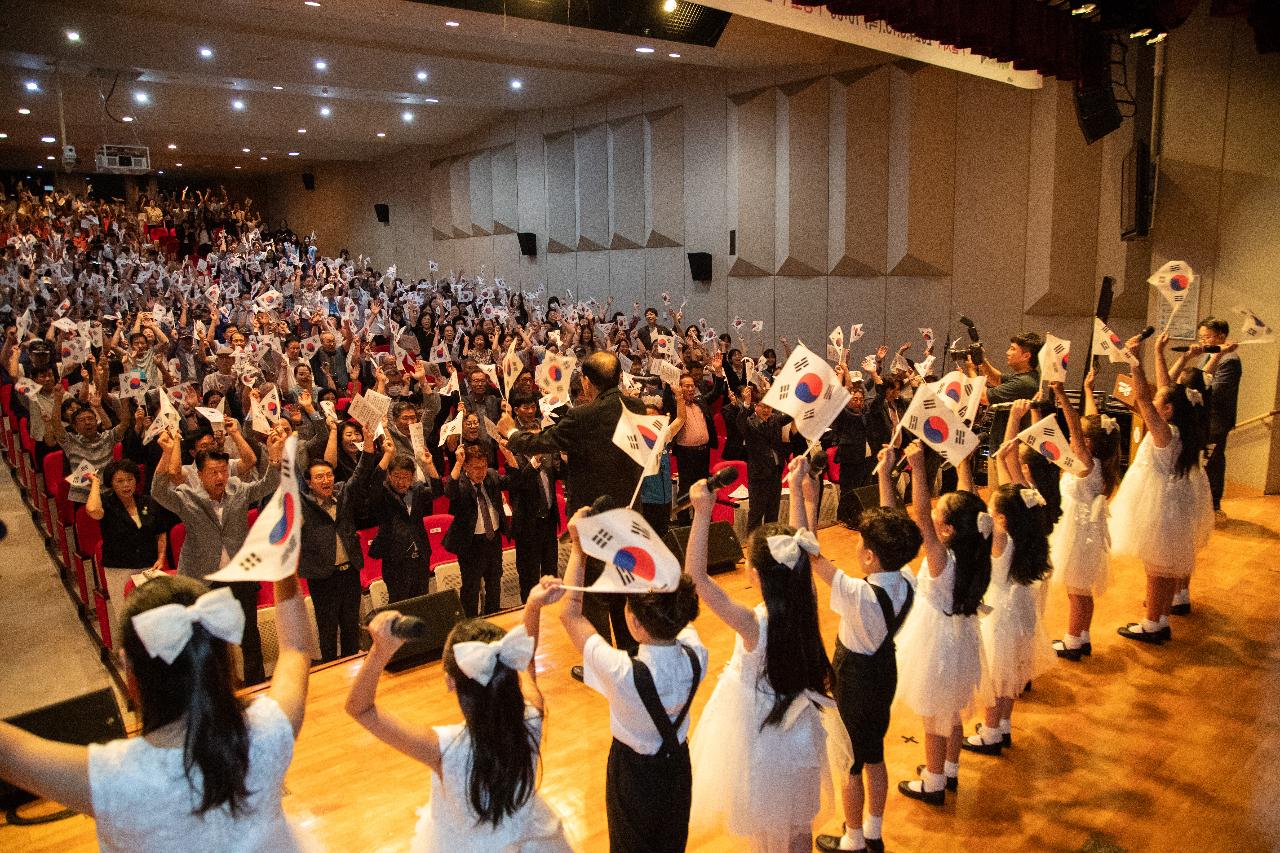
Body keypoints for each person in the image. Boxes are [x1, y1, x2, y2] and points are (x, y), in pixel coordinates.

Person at [0, 570, 313, 853]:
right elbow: (296, 649)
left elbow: (9, 755)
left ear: (130, 672)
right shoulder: (269, 731)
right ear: (223, 658)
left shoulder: (113, 779)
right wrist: (282, 567)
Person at [345, 580, 571, 852]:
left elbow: (360, 708)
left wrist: (381, 650)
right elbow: (528, 661)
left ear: (450, 682)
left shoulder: (443, 748)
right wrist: (533, 604)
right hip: (527, 836)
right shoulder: (533, 715)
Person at [686, 463, 835, 852]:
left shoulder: (754, 625)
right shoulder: (806, 603)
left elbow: (697, 579)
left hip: (764, 738)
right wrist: (803, 494)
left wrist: (703, 514)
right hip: (801, 733)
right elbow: (802, 548)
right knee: (799, 826)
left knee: (766, 830)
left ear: (755, 574)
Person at [559, 506, 706, 853]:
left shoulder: (620, 672)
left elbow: (570, 613)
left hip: (633, 774)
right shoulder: (696, 652)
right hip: (678, 767)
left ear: (635, 624)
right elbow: (683, 592)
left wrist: (579, 550)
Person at [499, 351, 646, 659]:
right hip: (629, 512)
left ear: (588, 383)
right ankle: (631, 650)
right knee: (623, 585)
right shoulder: (636, 406)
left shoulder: (583, 417)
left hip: (593, 515)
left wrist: (510, 431)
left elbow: (538, 444)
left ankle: (601, 662)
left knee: (593, 592)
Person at [811, 451, 922, 853]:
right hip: (884, 672)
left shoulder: (859, 594)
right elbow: (898, 526)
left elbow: (815, 558)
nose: (856, 548)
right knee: (874, 754)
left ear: (870, 556)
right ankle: (873, 831)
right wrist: (886, 477)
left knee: (850, 762)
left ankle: (853, 838)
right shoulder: (907, 578)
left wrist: (805, 491)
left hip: (854, 679)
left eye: (859, 544)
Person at [893, 440, 992, 805]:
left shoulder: (941, 560)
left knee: (935, 715)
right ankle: (949, 769)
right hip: (962, 638)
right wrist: (964, 465)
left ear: (947, 529)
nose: (934, 510)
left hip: (936, 643)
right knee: (952, 709)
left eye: (940, 511)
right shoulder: (972, 554)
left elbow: (920, 513)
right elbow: (963, 505)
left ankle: (933, 782)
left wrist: (919, 467)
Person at [150, 427, 285, 685]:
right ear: (198, 475)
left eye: (223, 470)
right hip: (204, 580)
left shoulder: (239, 490)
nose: (220, 477)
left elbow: (268, 484)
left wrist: (275, 457)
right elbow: (159, 492)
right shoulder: (188, 497)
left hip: (238, 576)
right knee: (208, 641)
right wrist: (166, 454)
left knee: (249, 636)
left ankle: (256, 686)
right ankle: (217, 690)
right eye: (212, 472)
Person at [1109, 334, 1212, 644]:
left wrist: (1134, 361)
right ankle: (1162, 615)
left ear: (1166, 410)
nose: (1153, 401)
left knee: (1156, 567)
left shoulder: (1165, 434)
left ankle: (1151, 623)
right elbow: (1163, 389)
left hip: (1159, 507)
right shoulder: (1183, 430)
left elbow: (1141, 397)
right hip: (1173, 503)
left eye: (1159, 402)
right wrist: (1157, 353)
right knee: (1167, 564)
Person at [960, 469, 1053, 757]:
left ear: (1001, 520)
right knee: (1011, 674)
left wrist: (964, 467)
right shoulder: (1028, 538)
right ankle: (1003, 724)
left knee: (996, 675)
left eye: (993, 509)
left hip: (1000, 616)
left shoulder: (1002, 541)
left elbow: (971, 504)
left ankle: (990, 732)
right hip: (1021, 611)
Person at [1046, 377, 1120, 660]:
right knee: (1080, 588)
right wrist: (1088, 390)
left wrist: (1062, 395)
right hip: (1083, 530)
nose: (1073, 439)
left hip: (1076, 533)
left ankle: (1073, 640)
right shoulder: (1100, 462)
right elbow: (1087, 424)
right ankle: (1082, 636)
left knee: (1076, 589)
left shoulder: (1086, 463)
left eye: (1080, 438)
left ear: (1088, 443)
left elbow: (1076, 428)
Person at [299, 451, 373, 662]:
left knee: (351, 626)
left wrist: (368, 446)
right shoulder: (303, 505)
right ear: (309, 483)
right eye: (319, 477)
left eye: (329, 475)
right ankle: (331, 669)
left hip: (349, 572)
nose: (326, 480)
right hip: (322, 577)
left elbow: (360, 474)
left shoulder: (342, 496)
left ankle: (351, 666)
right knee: (328, 629)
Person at [356, 434, 444, 603]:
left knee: (421, 601)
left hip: (420, 556)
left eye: (406, 478)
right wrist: (387, 455)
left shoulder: (417, 490)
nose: (401, 482)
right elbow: (374, 483)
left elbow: (438, 491)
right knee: (400, 603)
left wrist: (429, 465)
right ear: (389, 475)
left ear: (412, 477)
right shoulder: (383, 493)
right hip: (395, 559)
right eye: (397, 476)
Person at [85, 460, 167, 636]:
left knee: (152, 614)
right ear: (111, 484)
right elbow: (92, 510)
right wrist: (95, 484)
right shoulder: (106, 503)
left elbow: (160, 532)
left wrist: (161, 558)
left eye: (129, 479)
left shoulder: (147, 501)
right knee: (127, 615)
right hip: (119, 567)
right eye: (119, 481)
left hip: (148, 566)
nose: (126, 485)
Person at [443, 443, 516, 617]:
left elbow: (515, 480)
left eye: (483, 466)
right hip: (470, 544)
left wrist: (509, 456)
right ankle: (470, 623)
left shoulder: (491, 476)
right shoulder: (460, 482)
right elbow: (449, 492)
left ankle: (494, 618)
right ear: (466, 467)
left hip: (493, 539)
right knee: (471, 587)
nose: (480, 471)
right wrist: (457, 463)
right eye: (475, 467)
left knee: (494, 582)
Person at [1193, 317, 1240, 521]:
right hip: (1203, 417)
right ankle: (1202, 505)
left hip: (1216, 419)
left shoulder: (1230, 360)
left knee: (1212, 461)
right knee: (1203, 461)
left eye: (1208, 337)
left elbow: (1217, 390)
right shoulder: (1207, 355)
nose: (1203, 341)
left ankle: (1214, 505)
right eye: (1201, 337)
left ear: (1221, 336)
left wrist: (1195, 390)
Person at [508, 438, 564, 603]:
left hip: (548, 522)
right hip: (527, 528)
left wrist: (564, 454)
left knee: (550, 570)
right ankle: (530, 611)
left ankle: (553, 607)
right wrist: (533, 462)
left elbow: (562, 473)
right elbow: (519, 483)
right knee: (529, 575)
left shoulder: (546, 459)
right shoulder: (514, 460)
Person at [977, 332, 1043, 404]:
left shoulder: (1023, 382)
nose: (1007, 352)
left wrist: (971, 371)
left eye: (1012, 349)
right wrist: (982, 360)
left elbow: (983, 397)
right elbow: (997, 379)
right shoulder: (1028, 375)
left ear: (1026, 356)